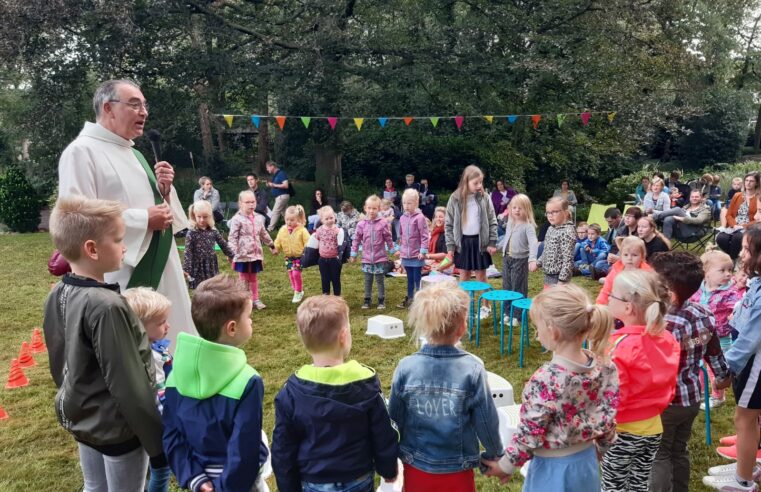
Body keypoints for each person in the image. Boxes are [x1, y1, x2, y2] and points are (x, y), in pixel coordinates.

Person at [58, 78, 196, 344]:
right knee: (131, 343)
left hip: (162, 260)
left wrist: (164, 191)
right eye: (134, 104)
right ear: (108, 108)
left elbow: (158, 210)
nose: (143, 112)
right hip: (123, 268)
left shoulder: (135, 154)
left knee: (174, 334)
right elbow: (75, 217)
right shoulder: (81, 152)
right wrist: (144, 219)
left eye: (144, 105)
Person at [43, 195, 165, 491]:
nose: (124, 247)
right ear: (92, 249)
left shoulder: (56, 294)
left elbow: (59, 364)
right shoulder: (108, 306)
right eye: (119, 239)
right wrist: (156, 444)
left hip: (84, 420)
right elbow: (129, 383)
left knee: (94, 486)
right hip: (119, 430)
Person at [482, 284, 618, 491]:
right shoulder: (606, 367)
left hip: (553, 471)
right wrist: (603, 448)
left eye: (538, 328)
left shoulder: (546, 380)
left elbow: (530, 432)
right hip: (586, 465)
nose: (537, 334)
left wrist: (505, 465)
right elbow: (607, 416)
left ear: (552, 331)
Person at [272, 295, 399, 492]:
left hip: (316, 481)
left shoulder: (291, 391)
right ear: (343, 335)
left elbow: (283, 448)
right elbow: (383, 433)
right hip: (356, 478)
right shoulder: (366, 383)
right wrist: (388, 469)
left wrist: (288, 486)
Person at [388, 283, 504, 491]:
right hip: (457, 470)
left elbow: (394, 419)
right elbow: (486, 421)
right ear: (462, 327)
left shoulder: (406, 367)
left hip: (416, 466)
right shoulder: (473, 369)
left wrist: (389, 458)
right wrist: (495, 455)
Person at [162, 275, 268, 492]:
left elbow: (171, 434)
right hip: (239, 484)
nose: (251, 321)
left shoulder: (173, 375)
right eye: (248, 317)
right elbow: (244, 448)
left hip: (201, 479)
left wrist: (194, 477)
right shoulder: (247, 381)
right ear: (231, 328)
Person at [647, 251, 731, 492]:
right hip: (691, 398)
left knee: (659, 454)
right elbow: (714, 353)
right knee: (679, 449)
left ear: (668, 292)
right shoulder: (703, 314)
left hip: (663, 402)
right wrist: (723, 377)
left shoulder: (660, 323)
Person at [600, 270, 680, 492]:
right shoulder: (668, 338)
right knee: (639, 483)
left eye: (612, 295)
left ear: (628, 307)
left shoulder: (621, 345)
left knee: (613, 486)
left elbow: (615, 394)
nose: (607, 297)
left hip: (622, 431)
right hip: (653, 427)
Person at [702, 226, 761, 491]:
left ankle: (743, 480)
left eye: (747, 249)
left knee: (744, 418)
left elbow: (750, 338)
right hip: (751, 360)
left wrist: (726, 370)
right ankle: (748, 466)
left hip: (756, 365)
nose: (741, 253)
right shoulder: (757, 281)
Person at [123, 287, 173, 492]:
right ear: (139, 327)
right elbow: (158, 393)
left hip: (140, 425)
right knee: (161, 470)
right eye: (161, 323)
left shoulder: (141, 349)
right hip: (155, 423)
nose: (168, 326)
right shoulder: (150, 358)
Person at [690, 249, 741, 409]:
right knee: (699, 365)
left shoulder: (730, 293)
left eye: (730, 270)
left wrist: (736, 313)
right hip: (701, 335)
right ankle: (700, 392)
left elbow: (739, 308)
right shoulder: (698, 289)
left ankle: (718, 397)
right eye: (722, 270)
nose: (728, 274)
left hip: (721, 339)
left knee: (716, 368)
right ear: (706, 273)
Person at [444, 165, 498, 284]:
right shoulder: (455, 198)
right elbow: (448, 225)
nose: (479, 186)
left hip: (480, 243)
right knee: (464, 277)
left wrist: (492, 242)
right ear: (466, 181)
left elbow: (492, 221)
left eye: (481, 182)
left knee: (481, 277)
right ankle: (464, 302)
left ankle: (485, 303)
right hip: (463, 243)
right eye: (475, 183)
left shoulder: (485, 197)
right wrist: (450, 247)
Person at [228, 190, 276, 310]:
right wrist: (230, 253)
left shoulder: (259, 218)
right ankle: (244, 300)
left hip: (255, 255)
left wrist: (271, 244)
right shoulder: (236, 219)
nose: (251, 204)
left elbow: (263, 233)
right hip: (242, 256)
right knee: (244, 278)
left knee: (253, 277)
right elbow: (232, 237)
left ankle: (255, 299)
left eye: (253, 202)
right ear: (240, 203)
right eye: (247, 202)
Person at [351, 195, 394, 309]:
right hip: (366, 258)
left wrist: (392, 249)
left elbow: (388, 238)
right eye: (369, 208)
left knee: (380, 280)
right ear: (365, 208)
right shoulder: (361, 224)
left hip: (380, 257)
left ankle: (381, 300)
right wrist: (353, 254)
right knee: (368, 279)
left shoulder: (383, 223)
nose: (371, 211)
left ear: (379, 209)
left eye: (374, 208)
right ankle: (367, 300)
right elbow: (356, 240)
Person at [500, 194, 538, 322]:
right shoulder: (511, 223)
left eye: (520, 208)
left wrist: (532, 259)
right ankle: (507, 312)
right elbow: (507, 238)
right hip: (507, 259)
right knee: (506, 286)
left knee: (518, 287)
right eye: (514, 207)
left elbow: (533, 242)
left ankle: (517, 315)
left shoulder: (528, 226)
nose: (517, 210)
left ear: (527, 209)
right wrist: (496, 246)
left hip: (520, 260)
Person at [183, 200, 234, 289]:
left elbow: (223, 244)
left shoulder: (213, 231)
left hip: (210, 265)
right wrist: (186, 269)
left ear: (210, 216)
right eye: (199, 217)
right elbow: (188, 251)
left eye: (205, 217)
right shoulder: (191, 233)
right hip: (198, 266)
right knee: (200, 289)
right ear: (194, 216)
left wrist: (232, 256)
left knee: (212, 288)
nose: (202, 220)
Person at [397, 188, 430, 308]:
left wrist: (423, 251)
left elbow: (425, 236)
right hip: (406, 254)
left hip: (417, 255)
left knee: (417, 278)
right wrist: (400, 250)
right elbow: (401, 236)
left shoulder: (420, 218)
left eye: (409, 203)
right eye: (404, 203)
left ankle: (419, 299)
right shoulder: (402, 218)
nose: (406, 206)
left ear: (416, 203)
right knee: (409, 278)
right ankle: (410, 298)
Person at [596, 236, 653, 305]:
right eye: (625, 255)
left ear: (642, 256)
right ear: (621, 255)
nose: (629, 258)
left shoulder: (647, 273)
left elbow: (651, 296)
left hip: (638, 307)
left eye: (634, 255)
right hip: (618, 306)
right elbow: (606, 291)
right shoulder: (616, 270)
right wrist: (599, 305)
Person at [717, 172, 759, 260]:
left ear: (757, 183)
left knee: (738, 237)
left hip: (750, 227)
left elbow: (759, 219)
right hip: (734, 225)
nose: (748, 183)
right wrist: (734, 225)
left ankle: (731, 261)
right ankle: (734, 258)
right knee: (721, 238)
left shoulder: (759, 198)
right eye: (746, 180)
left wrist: (743, 226)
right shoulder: (737, 195)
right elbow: (729, 214)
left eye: (751, 181)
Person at [273, 205, 310, 304]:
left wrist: (307, 251)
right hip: (288, 257)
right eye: (287, 219)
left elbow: (308, 241)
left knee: (296, 273)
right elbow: (278, 241)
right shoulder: (282, 230)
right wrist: (275, 248)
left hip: (299, 257)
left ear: (297, 219)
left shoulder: (302, 230)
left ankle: (298, 291)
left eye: (292, 220)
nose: (289, 222)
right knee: (291, 274)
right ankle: (296, 289)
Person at [537, 197, 576, 287]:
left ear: (565, 213)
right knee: (547, 299)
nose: (550, 215)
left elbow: (568, 259)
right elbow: (546, 250)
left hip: (558, 277)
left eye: (554, 212)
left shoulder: (567, 231)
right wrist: (538, 263)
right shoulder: (551, 228)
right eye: (548, 212)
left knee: (556, 300)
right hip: (548, 274)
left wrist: (562, 281)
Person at [313, 205, 345, 296]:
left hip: (335, 259)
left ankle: (337, 296)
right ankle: (325, 296)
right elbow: (317, 240)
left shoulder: (337, 230)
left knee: (335, 279)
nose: (330, 220)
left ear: (334, 217)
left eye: (331, 218)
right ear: (322, 220)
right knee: (325, 278)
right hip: (322, 259)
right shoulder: (319, 230)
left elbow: (342, 243)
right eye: (327, 219)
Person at [594, 208, 624, 278]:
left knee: (599, 263)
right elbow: (606, 240)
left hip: (618, 255)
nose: (609, 224)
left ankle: (589, 270)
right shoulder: (613, 227)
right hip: (610, 254)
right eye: (607, 221)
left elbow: (617, 246)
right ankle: (599, 271)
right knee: (599, 263)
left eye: (611, 221)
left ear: (619, 217)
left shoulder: (624, 228)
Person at [424, 206, 452, 273]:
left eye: (441, 217)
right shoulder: (435, 232)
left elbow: (446, 255)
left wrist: (428, 256)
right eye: (436, 217)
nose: (438, 219)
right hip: (433, 260)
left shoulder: (448, 233)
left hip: (446, 262)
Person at [265, 160, 290, 232]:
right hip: (280, 197)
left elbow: (286, 185)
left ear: (272, 166)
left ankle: (269, 229)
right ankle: (294, 227)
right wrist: (270, 185)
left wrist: (273, 185)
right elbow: (276, 185)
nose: (267, 170)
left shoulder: (281, 173)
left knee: (275, 212)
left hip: (282, 196)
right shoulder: (276, 175)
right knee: (286, 214)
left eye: (267, 168)